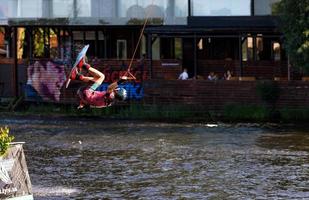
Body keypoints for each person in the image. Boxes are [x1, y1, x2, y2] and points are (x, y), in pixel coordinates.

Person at [68, 56, 133, 109]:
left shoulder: (111, 95)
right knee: (96, 80)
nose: (117, 88)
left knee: (101, 77)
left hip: (87, 92)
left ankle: (82, 65)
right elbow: (93, 105)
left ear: (118, 92)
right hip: (84, 95)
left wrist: (121, 81)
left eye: (118, 89)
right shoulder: (109, 103)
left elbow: (110, 87)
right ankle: (76, 76)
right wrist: (83, 103)